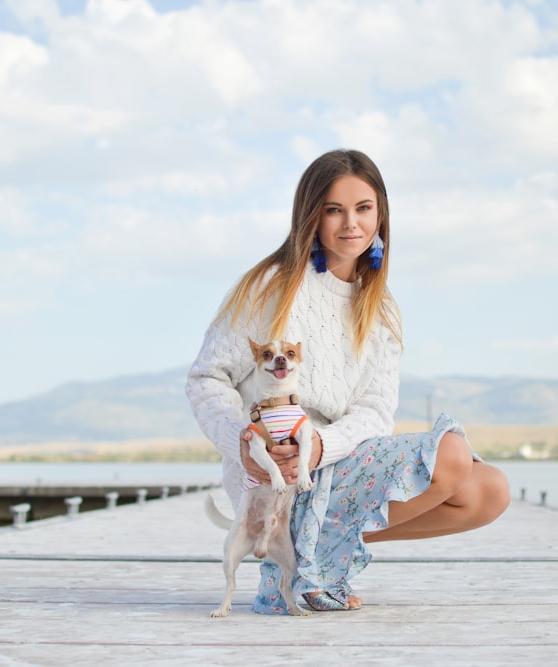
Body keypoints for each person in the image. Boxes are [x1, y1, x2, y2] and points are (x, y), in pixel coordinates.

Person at [186, 148, 510, 614]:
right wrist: (241, 442)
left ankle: (315, 559)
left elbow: (375, 412)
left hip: (333, 458)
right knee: (451, 454)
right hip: (274, 475)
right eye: (333, 209)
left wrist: (320, 447)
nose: (350, 224)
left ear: (381, 215)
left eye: (364, 209)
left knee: (488, 491)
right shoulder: (270, 287)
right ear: (310, 215)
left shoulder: (381, 308)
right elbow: (206, 379)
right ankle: (297, 555)